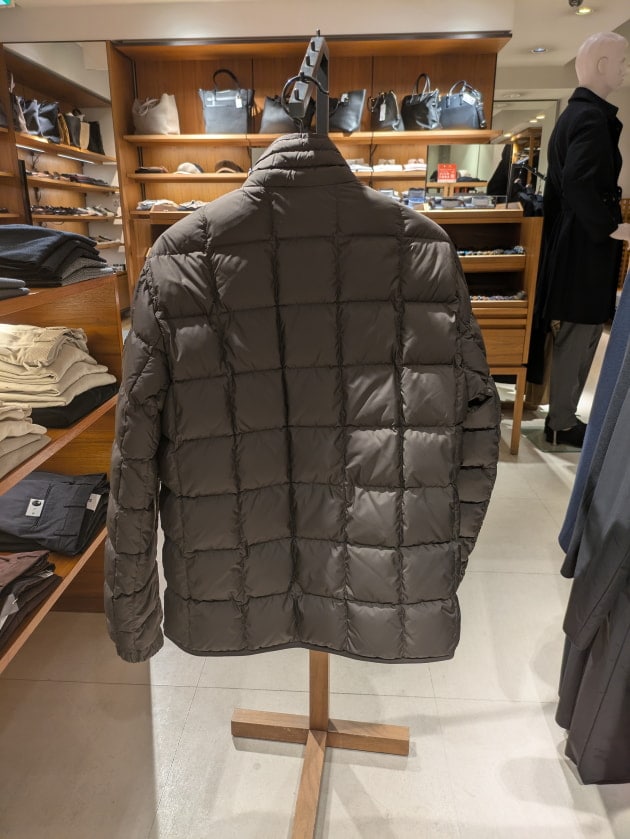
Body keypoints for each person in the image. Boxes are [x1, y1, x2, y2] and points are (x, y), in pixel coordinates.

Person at [528, 31, 630, 447]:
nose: (625, 69)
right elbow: (579, 183)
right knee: (579, 331)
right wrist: (610, 227)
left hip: (574, 240)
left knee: (580, 330)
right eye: (622, 61)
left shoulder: (576, 115)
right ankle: (562, 421)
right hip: (584, 245)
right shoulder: (589, 118)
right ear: (602, 65)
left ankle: (563, 417)